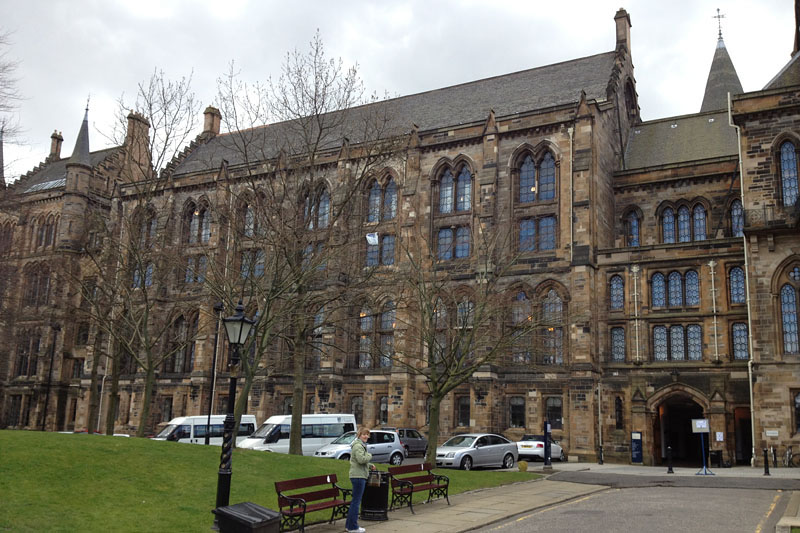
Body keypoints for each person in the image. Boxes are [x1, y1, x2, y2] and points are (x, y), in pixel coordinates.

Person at [346, 427, 374, 533]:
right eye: (364, 434)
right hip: (358, 476)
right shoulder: (358, 446)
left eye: (367, 434)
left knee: (355, 501)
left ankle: (349, 526)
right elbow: (361, 459)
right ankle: (353, 527)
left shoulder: (360, 445)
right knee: (356, 502)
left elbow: (359, 461)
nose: (366, 436)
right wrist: (370, 456)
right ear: (359, 435)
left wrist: (370, 465)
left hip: (358, 475)